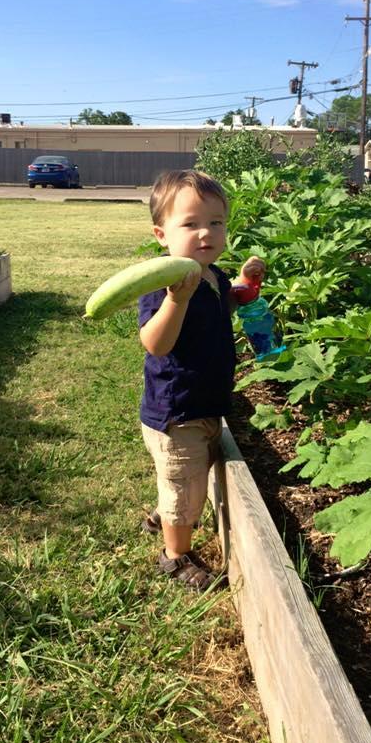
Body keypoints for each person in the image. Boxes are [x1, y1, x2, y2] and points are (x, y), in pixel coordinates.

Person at [138, 169, 265, 592]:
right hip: (177, 411)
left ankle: (163, 513)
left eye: (216, 223)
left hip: (206, 402)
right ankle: (174, 556)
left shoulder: (213, 275)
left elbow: (220, 307)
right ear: (162, 234)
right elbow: (154, 342)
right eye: (190, 224)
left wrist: (244, 288)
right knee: (183, 484)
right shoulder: (164, 281)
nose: (205, 233)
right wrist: (177, 300)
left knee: (189, 476)